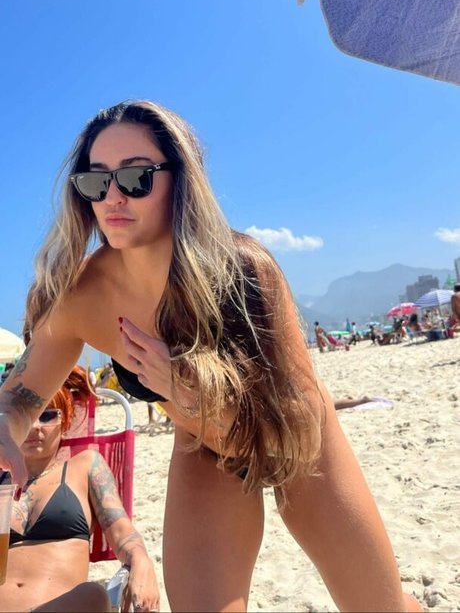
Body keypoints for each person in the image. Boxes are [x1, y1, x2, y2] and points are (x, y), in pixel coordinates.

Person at [0, 100, 421, 612]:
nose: (112, 196)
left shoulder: (242, 269)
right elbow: (19, 398)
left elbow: (292, 418)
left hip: (297, 443)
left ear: (180, 179)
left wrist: (184, 389)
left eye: (135, 177)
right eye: (95, 181)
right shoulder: (83, 295)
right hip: (205, 448)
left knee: (379, 607)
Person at [0, 365, 159, 613]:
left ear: (65, 420)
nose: (35, 427)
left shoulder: (84, 467)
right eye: (28, 418)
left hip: (61, 606)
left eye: (47, 416)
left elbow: (122, 532)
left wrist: (142, 560)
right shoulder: (2, 480)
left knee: (93, 595)